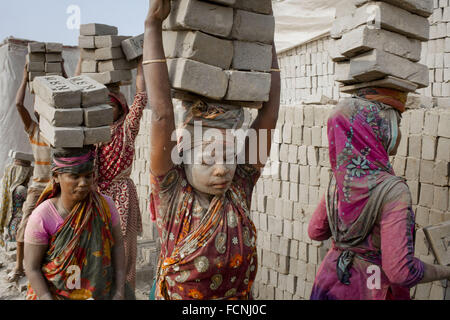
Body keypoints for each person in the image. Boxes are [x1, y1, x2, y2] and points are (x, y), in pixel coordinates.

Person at [143, 0, 280, 300]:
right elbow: (162, 114)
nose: (222, 169)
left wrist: (264, 35)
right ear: (183, 154)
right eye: (208, 159)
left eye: (230, 158)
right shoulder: (172, 192)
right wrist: (152, 25)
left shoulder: (239, 187)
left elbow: (268, 116)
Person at [308, 87, 450, 300]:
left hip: (330, 283)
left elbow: (316, 232)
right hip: (370, 289)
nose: (400, 133)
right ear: (380, 131)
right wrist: (444, 271)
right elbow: (400, 272)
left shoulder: (337, 182)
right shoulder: (393, 191)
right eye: (397, 125)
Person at [75, 57, 149, 291]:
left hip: (121, 194)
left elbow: (141, 97)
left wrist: (139, 62)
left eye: (112, 105)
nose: (107, 110)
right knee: (96, 246)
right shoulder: (91, 134)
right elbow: (74, 101)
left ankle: (123, 291)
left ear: (120, 108)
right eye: (103, 105)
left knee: (124, 248)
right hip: (96, 194)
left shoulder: (127, 129)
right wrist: (81, 59)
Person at [24, 147, 126, 300]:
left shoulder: (105, 206)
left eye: (88, 176)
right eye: (75, 176)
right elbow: (32, 268)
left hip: (99, 293)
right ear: (56, 177)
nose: (83, 183)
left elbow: (118, 245)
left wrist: (119, 290)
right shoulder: (42, 217)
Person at [11, 63, 52, 283]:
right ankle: (19, 266)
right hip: (38, 186)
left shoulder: (62, 133)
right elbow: (18, 104)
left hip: (57, 187)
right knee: (25, 222)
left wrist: (62, 72)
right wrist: (25, 78)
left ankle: (49, 267)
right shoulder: (34, 130)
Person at [0, 157, 33, 244]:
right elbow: (33, 202)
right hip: (20, 222)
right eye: (28, 174)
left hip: (12, 223)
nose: (29, 176)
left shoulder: (11, 187)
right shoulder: (20, 189)